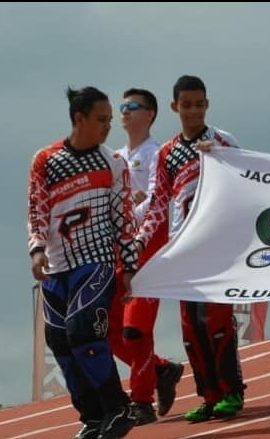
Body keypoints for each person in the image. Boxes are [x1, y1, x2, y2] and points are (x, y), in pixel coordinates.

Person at [28, 86, 138, 438]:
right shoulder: (46, 160)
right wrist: (37, 249)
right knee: (61, 344)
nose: (108, 127)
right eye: (101, 120)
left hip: (96, 262)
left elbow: (124, 220)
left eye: (109, 120)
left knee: (84, 332)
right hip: (56, 269)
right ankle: (92, 418)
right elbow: (37, 210)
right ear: (80, 119)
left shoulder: (114, 163)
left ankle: (119, 409)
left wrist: (130, 268)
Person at [135, 75, 245, 422]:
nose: (194, 111)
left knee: (216, 321)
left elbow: (248, 183)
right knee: (191, 327)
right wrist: (138, 243)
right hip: (185, 250)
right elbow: (157, 203)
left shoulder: (223, 141)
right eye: (187, 105)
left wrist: (221, 161)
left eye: (199, 104)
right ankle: (209, 395)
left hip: (216, 247)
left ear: (207, 105)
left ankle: (232, 391)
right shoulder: (166, 153)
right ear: (174, 107)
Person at [108, 88, 184, 424]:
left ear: (150, 113)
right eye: (121, 106)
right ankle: (162, 371)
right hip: (118, 251)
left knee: (134, 330)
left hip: (149, 248)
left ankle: (141, 400)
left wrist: (128, 211)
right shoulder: (115, 157)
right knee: (106, 330)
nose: (124, 112)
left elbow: (157, 200)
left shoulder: (158, 153)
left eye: (132, 106)